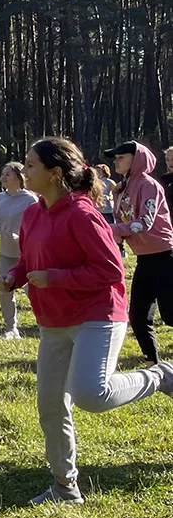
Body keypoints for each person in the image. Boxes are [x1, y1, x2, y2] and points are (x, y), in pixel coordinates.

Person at [2, 136, 173, 505]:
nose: (24, 170)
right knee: (50, 405)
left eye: (31, 165)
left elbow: (111, 270)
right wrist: (15, 276)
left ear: (55, 172)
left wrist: (56, 278)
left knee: (91, 395)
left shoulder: (82, 213)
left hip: (98, 315)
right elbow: (30, 260)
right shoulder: (33, 212)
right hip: (54, 320)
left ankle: (161, 375)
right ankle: (65, 488)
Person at [105, 141, 173, 363]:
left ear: (137, 160)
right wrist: (116, 199)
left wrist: (108, 230)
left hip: (165, 256)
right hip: (144, 258)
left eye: (120, 157)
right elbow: (122, 222)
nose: (116, 161)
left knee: (170, 314)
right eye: (115, 158)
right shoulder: (123, 187)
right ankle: (155, 363)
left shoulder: (148, 185)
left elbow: (144, 222)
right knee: (137, 316)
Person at [0, 162, 37, 339]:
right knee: (5, 289)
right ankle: (11, 328)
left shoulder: (30, 199)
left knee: (34, 291)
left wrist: (22, 238)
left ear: (18, 177)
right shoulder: (0, 197)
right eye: (2, 174)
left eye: (8, 174)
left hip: (26, 254)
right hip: (6, 252)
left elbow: (38, 226)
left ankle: (48, 323)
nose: (3, 177)